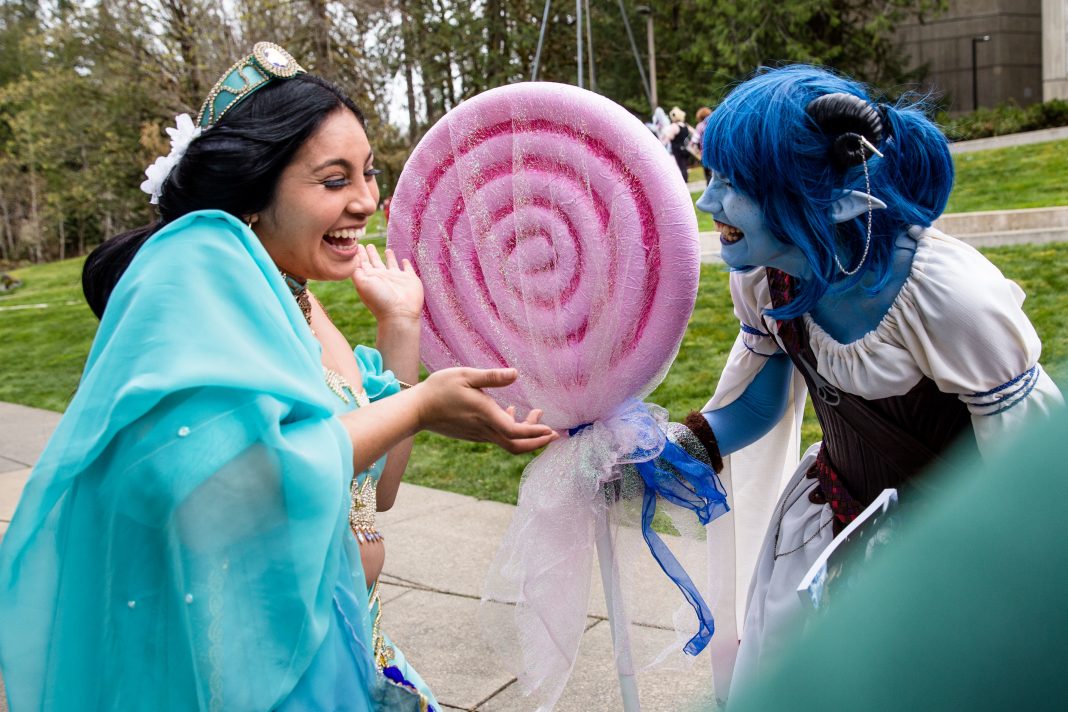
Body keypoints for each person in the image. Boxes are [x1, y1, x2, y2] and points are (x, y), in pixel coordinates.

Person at [0, 42, 556, 711]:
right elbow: (244, 472)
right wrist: (419, 407)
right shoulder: (197, 276)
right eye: (333, 181)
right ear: (253, 191)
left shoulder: (297, 294)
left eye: (370, 174)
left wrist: (401, 327)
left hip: (354, 647)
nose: (366, 202)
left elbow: (375, 490)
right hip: (258, 671)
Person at [673, 65, 1063, 694]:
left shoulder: (949, 298)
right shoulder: (764, 277)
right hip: (826, 527)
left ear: (835, 198)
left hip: (946, 552)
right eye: (710, 175)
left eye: (733, 183)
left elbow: (1026, 471)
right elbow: (756, 407)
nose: (707, 200)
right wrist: (674, 450)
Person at [660, 106, 693, 181]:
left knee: (680, 165)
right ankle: (685, 178)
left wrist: (662, 143)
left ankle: (684, 180)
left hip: (677, 148)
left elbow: (669, 137)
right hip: (686, 148)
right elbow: (693, 133)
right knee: (684, 165)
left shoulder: (674, 126)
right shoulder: (686, 125)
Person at [691, 106, 712, 184]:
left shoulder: (700, 126)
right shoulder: (713, 124)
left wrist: (692, 146)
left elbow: (694, 140)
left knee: (707, 173)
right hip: (715, 151)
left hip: (705, 153)